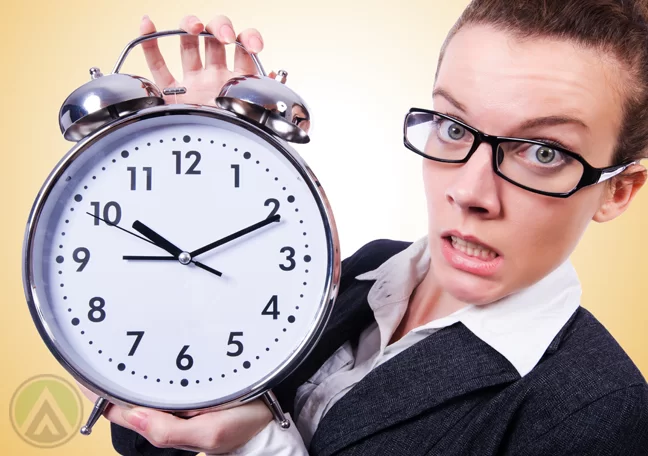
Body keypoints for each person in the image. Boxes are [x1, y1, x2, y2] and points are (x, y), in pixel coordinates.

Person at [79, 1, 648, 454]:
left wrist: (257, 444)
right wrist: (217, 156)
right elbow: (154, 434)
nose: (471, 193)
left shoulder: (603, 412)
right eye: (452, 126)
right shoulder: (366, 272)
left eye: (543, 152)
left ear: (617, 190)